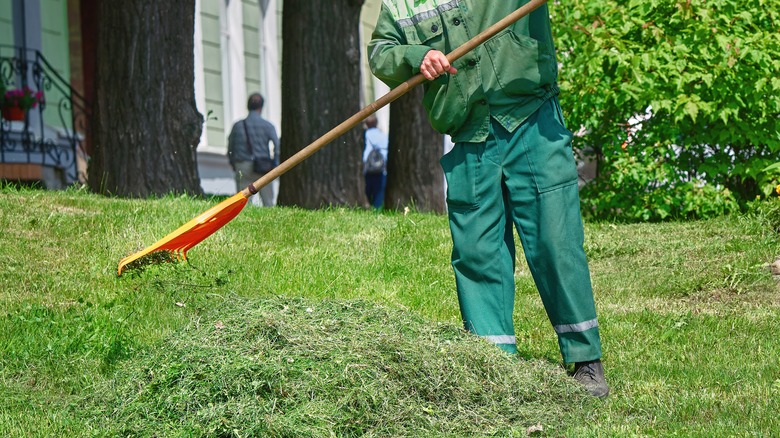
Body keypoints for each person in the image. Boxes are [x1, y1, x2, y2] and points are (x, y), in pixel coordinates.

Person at [368, 1, 609, 397]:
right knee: (478, 252)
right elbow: (380, 51)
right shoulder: (400, 4)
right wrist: (417, 56)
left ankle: (586, 359)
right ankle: (493, 365)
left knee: (555, 241)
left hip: (532, 119)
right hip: (469, 133)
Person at [227, 93, 280, 207]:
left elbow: (231, 146)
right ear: (261, 107)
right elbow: (277, 145)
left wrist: (233, 162)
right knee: (268, 202)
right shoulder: (268, 126)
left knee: (242, 203)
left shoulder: (238, 125)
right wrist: (275, 163)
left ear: (248, 106)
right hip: (264, 167)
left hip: (243, 165)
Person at [362, 114, 389, 209]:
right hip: (381, 170)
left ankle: (367, 209)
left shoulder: (365, 135)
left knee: (367, 193)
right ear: (376, 123)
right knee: (378, 195)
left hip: (367, 169)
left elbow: (365, 155)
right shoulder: (383, 135)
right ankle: (377, 211)